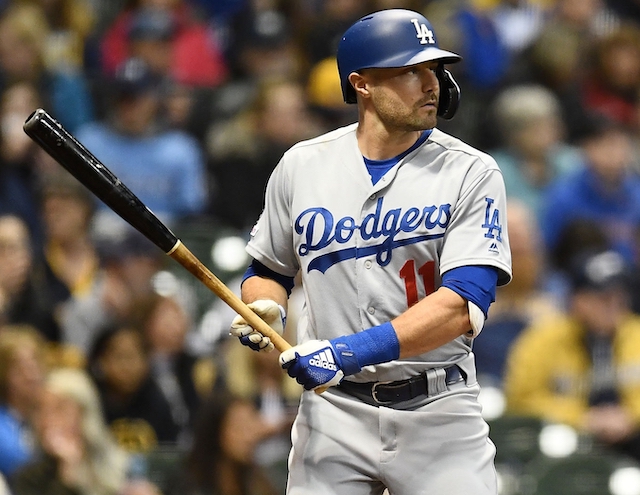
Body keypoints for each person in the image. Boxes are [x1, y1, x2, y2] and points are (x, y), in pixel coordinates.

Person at [228, 9, 512, 495]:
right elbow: (267, 268)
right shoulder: (302, 166)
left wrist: (346, 352)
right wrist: (266, 305)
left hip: (438, 410)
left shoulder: (472, 172)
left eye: (435, 69)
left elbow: (462, 305)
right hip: (334, 411)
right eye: (410, 71)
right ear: (361, 84)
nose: (432, 84)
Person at [504, 249, 640, 462]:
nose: (614, 305)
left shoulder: (635, 333)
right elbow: (520, 400)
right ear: (577, 300)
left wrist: (630, 416)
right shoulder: (542, 340)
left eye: (620, 296)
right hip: (565, 443)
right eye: (603, 298)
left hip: (631, 439)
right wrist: (582, 418)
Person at [10, 367, 161, 495]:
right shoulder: (28, 477)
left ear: (84, 413)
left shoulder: (122, 465)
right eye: (40, 410)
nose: (47, 420)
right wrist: (67, 474)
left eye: (60, 408)